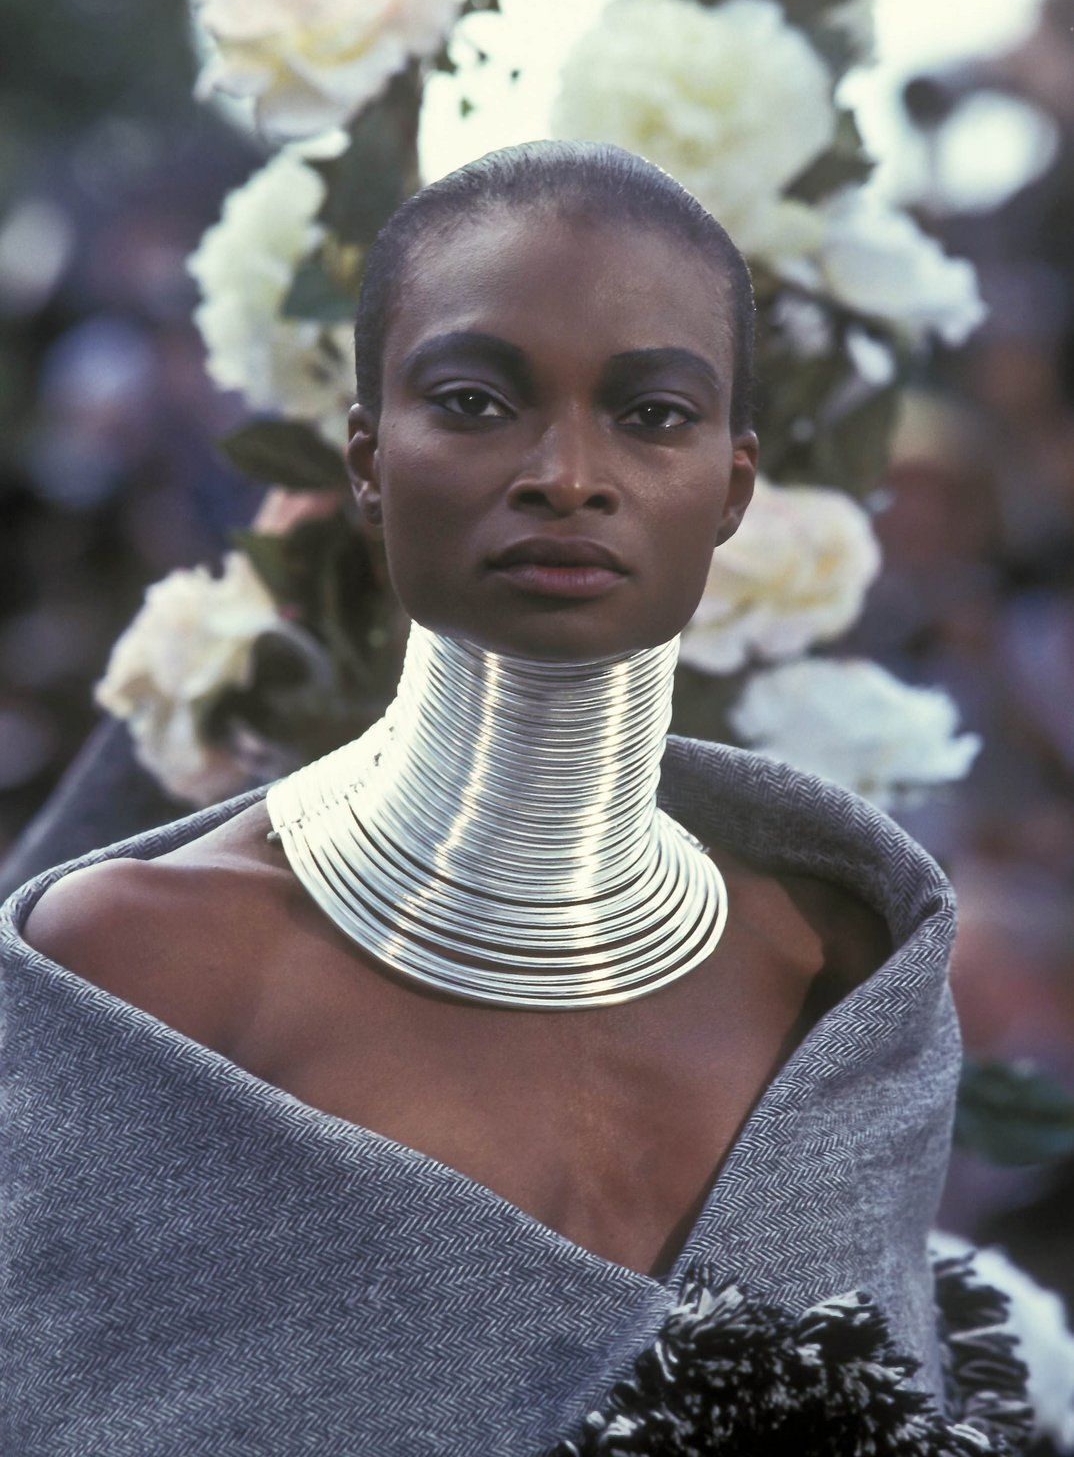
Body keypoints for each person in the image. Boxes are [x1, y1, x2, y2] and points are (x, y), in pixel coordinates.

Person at [0, 141, 1039, 1456]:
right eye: (476, 401)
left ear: (732, 487)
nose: (566, 472)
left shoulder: (845, 985)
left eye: (652, 414)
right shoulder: (136, 961)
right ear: (367, 461)